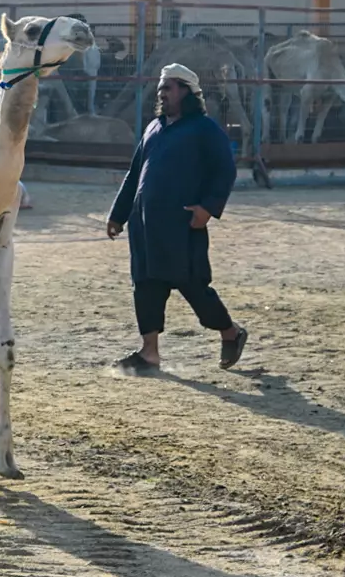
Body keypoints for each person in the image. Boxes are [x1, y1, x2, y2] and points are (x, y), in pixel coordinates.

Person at [106, 63, 248, 375]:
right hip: (145, 225)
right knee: (145, 285)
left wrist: (207, 208)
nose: (162, 93)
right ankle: (150, 353)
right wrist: (118, 214)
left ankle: (231, 333)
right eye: (161, 87)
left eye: (168, 87)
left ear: (187, 91)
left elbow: (225, 170)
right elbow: (134, 174)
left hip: (182, 224)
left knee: (193, 286)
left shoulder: (204, 129)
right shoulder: (153, 128)